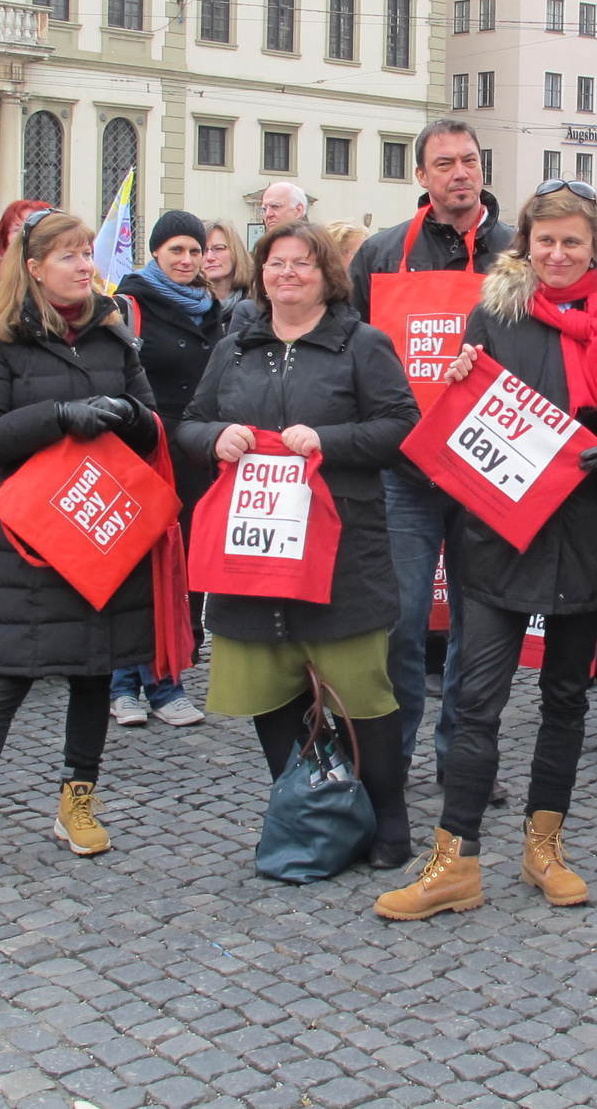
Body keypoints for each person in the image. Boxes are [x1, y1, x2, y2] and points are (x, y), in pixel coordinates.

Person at [374, 178, 597, 920]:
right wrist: (456, 385)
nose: (558, 254)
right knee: (476, 700)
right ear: (523, 246)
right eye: (545, 241)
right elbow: (461, 425)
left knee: (565, 699)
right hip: (498, 540)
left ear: (595, 245)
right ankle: (454, 860)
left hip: (586, 542)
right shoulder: (492, 314)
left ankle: (543, 846)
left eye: (572, 241)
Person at [0, 209, 170, 888]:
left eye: (87, 254)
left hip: (100, 526)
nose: (84, 265)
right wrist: (57, 419)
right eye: (69, 256)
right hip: (32, 537)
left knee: (93, 671)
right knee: (2, 678)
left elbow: (150, 419)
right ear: (36, 268)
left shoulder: (114, 333)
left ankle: (78, 796)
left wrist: (132, 417)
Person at [179, 220, 419, 869]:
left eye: (302, 264)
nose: (287, 274)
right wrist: (215, 438)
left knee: (362, 693)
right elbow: (192, 424)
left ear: (327, 276)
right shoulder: (234, 347)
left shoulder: (363, 346)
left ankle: (387, 819)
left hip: (342, 549)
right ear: (260, 275)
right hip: (254, 549)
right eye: (276, 263)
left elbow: (402, 427)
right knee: (268, 686)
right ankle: (311, 805)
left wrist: (330, 442)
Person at [347, 121, 512, 783]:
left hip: (487, 470)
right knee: (400, 624)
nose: (459, 173)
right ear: (421, 177)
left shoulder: (515, 254)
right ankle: (394, 755)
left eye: (469, 160)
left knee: (481, 631)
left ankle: (463, 758)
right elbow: (352, 351)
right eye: (444, 163)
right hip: (405, 469)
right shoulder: (382, 253)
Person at [109, 212, 229, 729]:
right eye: (176, 250)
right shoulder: (128, 303)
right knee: (137, 568)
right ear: (155, 252)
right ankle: (125, 683)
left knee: (181, 569)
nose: (187, 260)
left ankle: (167, 676)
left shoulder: (213, 309)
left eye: (195, 251)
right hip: (143, 447)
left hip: (198, 450)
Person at [202, 219, 253, 305]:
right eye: (203, 251)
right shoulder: (183, 305)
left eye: (219, 248)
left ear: (237, 251)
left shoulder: (260, 301)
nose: (210, 257)